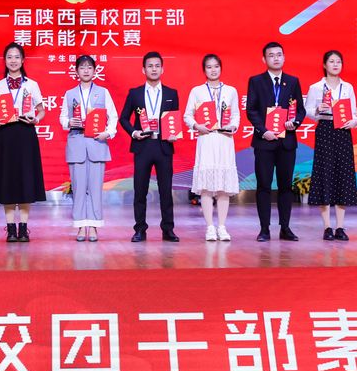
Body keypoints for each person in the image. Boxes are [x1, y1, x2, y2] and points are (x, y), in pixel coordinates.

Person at [246, 41, 306, 242]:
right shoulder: (256, 81)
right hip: (264, 142)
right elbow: (251, 110)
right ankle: (264, 229)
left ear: (284, 57)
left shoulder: (293, 81)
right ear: (264, 59)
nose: (276, 58)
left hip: (286, 142)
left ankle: (285, 228)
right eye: (271, 55)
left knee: (285, 186)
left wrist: (294, 122)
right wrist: (264, 131)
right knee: (264, 186)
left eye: (279, 54)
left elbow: (300, 109)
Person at [118, 51, 181, 242]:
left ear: (162, 69)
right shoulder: (135, 93)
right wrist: (133, 132)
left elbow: (174, 120)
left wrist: (174, 134)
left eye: (157, 66)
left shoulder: (171, 93)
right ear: (143, 69)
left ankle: (168, 229)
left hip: (164, 146)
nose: (154, 69)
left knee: (166, 191)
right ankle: (140, 229)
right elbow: (123, 118)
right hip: (143, 146)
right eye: (150, 66)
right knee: (140, 191)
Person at [0, 42, 47, 242]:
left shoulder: (32, 85)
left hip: (25, 133)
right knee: (7, 180)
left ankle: (23, 227)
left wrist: (35, 119)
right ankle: (10, 229)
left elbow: (41, 110)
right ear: (5, 61)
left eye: (16, 57)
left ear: (23, 60)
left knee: (25, 179)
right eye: (9, 57)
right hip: (5, 135)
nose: (13, 60)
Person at [59, 55, 118, 242]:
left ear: (95, 71)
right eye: (82, 67)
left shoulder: (103, 92)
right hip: (76, 142)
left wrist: (107, 133)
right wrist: (69, 122)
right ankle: (80, 226)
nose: (86, 70)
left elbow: (113, 117)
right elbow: (62, 118)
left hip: (96, 143)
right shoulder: (69, 94)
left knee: (95, 188)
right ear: (76, 71)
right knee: (78, 188)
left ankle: (93, 226)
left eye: (89, 67)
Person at [303, 50, 357, 241]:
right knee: (324, 174)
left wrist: (353, 122)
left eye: (338, 62)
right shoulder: (316, 87)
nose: (335, 65)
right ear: (324, 65)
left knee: (343, 175)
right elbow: (307, 111)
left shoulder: (348, 87)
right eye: (332, 61)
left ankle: (340, 227)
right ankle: (327, 226)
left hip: (343, 132)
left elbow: (354, 113)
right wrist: (317, 109)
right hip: (325, 130)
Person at [183, 54, 240, 241]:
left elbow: (236, 115)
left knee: (223, 186)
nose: (213, 70)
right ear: (204, 70)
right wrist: (196, 126)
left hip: (224, 140)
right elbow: (187, 115)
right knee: (206, 187)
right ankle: (209, 227)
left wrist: (233, 126)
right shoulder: (197, 91)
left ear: (221, 68)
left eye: (216, 66)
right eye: (209, 67)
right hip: (206, 139)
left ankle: (222, 227)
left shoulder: (230, 91)